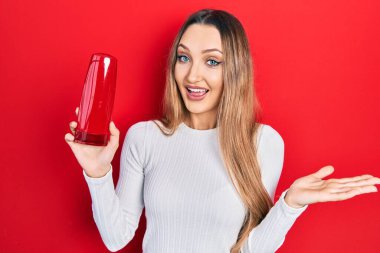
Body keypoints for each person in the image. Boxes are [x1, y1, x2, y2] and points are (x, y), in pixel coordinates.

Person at [64, 8, 380, 253]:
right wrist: (97, 172)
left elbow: (250, 249)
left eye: (212, 62)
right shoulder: (144, 137)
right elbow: (116, 238)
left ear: (236, 70)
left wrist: (289, 205)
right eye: (183, 58)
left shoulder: (263, 142)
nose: (192, 75)